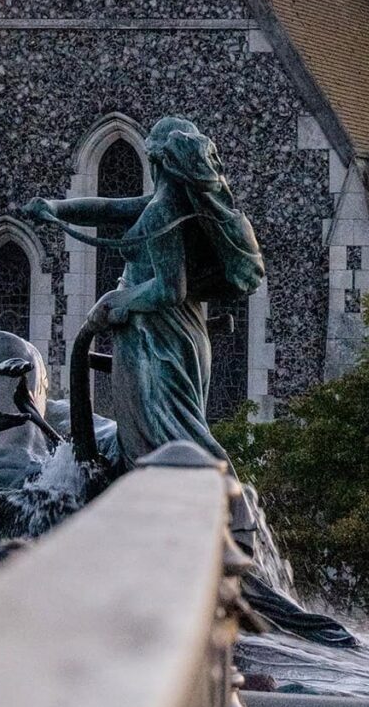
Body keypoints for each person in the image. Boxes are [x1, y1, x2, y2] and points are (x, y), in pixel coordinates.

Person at [18, 116, 264, 466]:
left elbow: (169, 290)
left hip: (156, 340)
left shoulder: (161, 213)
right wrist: (57, 208)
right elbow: (110, 208)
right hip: (179, 333)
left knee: (161, 441)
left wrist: (116, 300)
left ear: (157, 162)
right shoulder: (175, 206)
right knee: (176, 432)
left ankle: (214, 492)